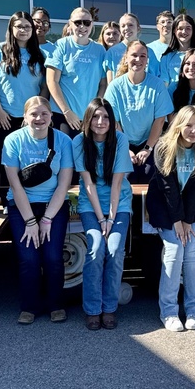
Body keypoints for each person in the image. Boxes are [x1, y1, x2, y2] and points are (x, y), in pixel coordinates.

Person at [1, 96, 74, 324]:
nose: (39, 118)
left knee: (53, 257)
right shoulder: (13, 140)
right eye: (33, 114)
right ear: (25, 117)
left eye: (44, 113)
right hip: (22, 204)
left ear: (51, 116)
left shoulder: (63, 141)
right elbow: (15, 183)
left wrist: (47, 219)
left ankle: (55, 304)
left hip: (54, 203)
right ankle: (29, 306)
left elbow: (64, 184)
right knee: (28, 257)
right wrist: (31, 221)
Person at [147, 106, 195, 332]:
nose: (193, 130)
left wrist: (187, 220)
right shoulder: (163, 147)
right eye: (188, 125)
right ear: (178, 125)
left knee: (192, 250)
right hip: (165, 207)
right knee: (175, 248)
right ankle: (168, 312)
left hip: (192, 206)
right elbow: (168, 187)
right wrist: (178, 221)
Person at [72, 98, 132, 331]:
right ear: (88, 119)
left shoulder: (120, 140)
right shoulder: (79, 142)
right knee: (96, 247)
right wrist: (100, 219)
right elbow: (88, 184)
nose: (100, 121)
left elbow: (117, 184)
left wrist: (110, 217)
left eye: (105, 116)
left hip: (119, 205)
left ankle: (109, 308)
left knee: (115, 249)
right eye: (95, 116)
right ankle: (92, 309)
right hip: (91, 204)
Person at [0, 11, 47, 181]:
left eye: (27, 26)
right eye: (19, 26)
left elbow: (44, 88)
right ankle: (7, 200)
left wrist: (33, 114)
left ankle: (25, 196)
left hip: (29, 117)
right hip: (3, 115)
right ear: (11, 28)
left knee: (26, 157)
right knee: (6, 158)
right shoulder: (0, 50)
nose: (23, 30)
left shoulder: (40, 55)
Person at [105, 39, 173, 181]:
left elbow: (160, 120)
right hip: (122, 141)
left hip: (149, 142)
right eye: (134, 55)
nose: (138, 59)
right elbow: (113, 121)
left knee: (149, 174)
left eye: (143, 56)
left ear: (147, 59)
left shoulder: (157, 85)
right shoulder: (115, 86)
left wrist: (147, 149)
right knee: (124, 175)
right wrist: (125, 150)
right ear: (126, 58)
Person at [45, 7, 106, 136]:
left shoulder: (100, 50)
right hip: (63, 115)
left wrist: (95, 111)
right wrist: (67, 111)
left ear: (92, 24)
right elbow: (52, 81)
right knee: (64, 154)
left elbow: (103, 84)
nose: (82, 26)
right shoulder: (61, 45)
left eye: (87, 22)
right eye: (78, 22)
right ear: (70, 24)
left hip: (89, 117)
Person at [159, 13, 195, 90]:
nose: (184, 32)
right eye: (180, 28)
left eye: (188, 28)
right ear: (174, 31)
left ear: (193, 31)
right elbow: (165, 84)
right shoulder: (166, 57)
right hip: (173, 100)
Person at [103, 12, 141, 81]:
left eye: (130, 25)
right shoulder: (112, 52)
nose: (126, 28)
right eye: (123, 26)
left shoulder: (147, 51)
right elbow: (110, 83)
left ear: (138, 28)